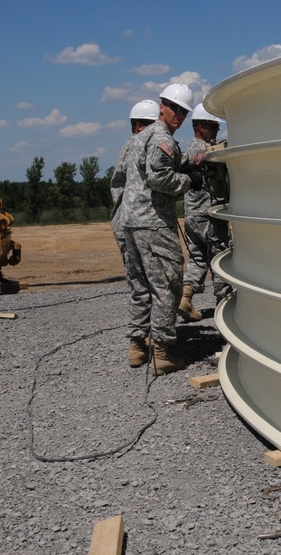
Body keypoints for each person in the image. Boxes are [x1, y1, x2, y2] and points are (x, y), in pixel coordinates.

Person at [118, 83, 201, 375]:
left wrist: (193, 162)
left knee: (140, 287)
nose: (179, 115)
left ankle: (137, 347)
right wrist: (190, 181)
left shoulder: (140, 138)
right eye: (174, 108)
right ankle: (162, 353)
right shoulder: (161, 138)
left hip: (131, 223)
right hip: (153, 224)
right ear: (161, 106)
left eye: (184, 111)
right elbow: (160, 178)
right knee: (167, 284)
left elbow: (163, 165)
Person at [109, 99, 160, 368]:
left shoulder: (126, 148)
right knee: (156, 283)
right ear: (140, 125)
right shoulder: (140, 146)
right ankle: (154, 343)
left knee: (138, 286)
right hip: (140, 223)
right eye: (153, 126)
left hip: (123, 223)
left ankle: (137, 344)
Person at [179, 104, 233, 320]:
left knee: (197, 259)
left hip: (192, 216)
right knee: (220, 259)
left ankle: (185, 296)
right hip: (209, 215)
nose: (216, 132)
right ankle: (225, 310)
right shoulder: (202, 150)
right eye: (213, 127)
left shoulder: (190, 149)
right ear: (200, 127)